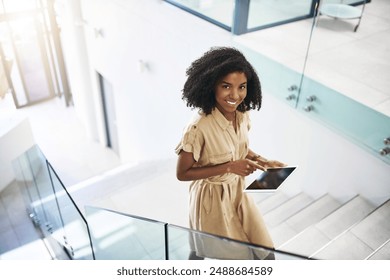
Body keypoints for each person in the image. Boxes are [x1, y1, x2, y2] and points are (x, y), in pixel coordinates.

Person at [175, 47, 285, 260]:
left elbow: (237, 148)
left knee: (266, 251)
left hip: (238, 191)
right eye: (226, 86)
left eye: (241, 87)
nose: (235, 95)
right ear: (211, 86)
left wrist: (261, 160)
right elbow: (182, 173)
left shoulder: (242, 114)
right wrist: (228, 167)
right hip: (211, 199)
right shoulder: (198, 127)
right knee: (210, 251)